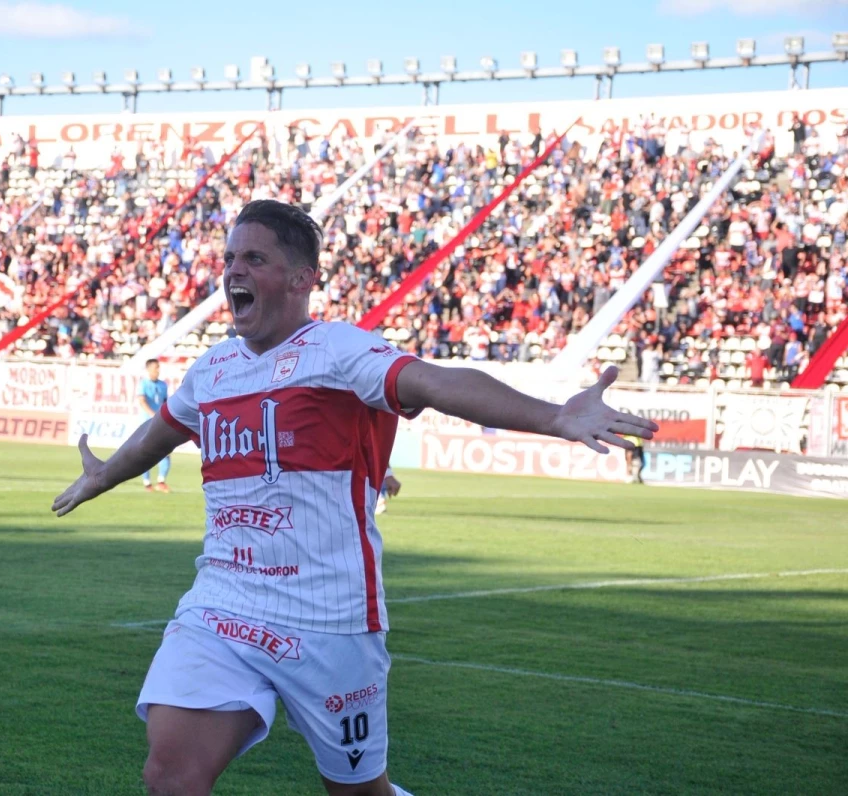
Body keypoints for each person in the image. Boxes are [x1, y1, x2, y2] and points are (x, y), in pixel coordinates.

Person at [52, 200, 657, 796]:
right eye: (230, 257)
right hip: (223, 606)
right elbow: (161, 432)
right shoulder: (212, 370)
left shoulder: (339, 351)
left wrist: (553, 417)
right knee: (170, 775)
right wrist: (103, 476)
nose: (233, 270)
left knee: (360, 794)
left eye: (254, 259)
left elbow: (437, 383)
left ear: (302, 278)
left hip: (329, 622)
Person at [137, 359, 170, 493]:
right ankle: (147, 483)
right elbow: (142, 401)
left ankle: (161, 482)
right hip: (147, 423)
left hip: (160, 422)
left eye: (158, 367)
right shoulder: (143, 384)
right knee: (146, 453)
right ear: (148, 369)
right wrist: (152, 414)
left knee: (166, 451)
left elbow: (165, 402)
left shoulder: (163, 385)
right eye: (156, 367)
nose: (158, 370)